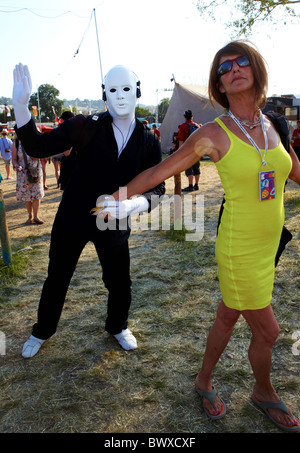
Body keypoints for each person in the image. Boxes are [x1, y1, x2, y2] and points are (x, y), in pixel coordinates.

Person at [98, 41, 300, 432]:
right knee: (269, 330)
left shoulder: (274, 125)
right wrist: (118, 197)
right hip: (238, 249)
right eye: (224, 68)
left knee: (227, 317)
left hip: (268, 247)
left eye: (241, 61)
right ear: (219, 86)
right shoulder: (213, 133)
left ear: (256, 69)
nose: (233, 69)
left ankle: (203, 380)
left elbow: (295, 171)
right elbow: (159, 172)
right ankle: (263, 391)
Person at [12, 63, 165, 357]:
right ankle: (42, 329)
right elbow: (37, 146)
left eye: (126, 88)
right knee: (57, 276)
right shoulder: (86, 125)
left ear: (137, 91)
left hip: (113, 222)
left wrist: (130, 205)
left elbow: (157, 190)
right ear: (104, 93)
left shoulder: (148, 140)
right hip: (73, 217)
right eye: (113, 89)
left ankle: (118, 325)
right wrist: (21, 108)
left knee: (119, 281)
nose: (120, 96)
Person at [11, 138, 45, 224]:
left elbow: (43, 154)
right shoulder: (17, 143)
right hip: (23, 173)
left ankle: (36, 217)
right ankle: (30, 216)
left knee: (37, 195)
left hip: (36, 171)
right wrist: (16, 165)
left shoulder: (36, 139)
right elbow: (14, 159)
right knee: (27, 196)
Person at [177, 110, 200, 192]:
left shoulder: (183, 126)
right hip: (197, 150)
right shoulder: (197, 125)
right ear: (192, 116)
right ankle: (196, 185)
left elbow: (181, 140)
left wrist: (179, 152)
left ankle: (190, 185)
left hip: (188, 150)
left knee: (189, 168)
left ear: (184, 117)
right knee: (196, 167)